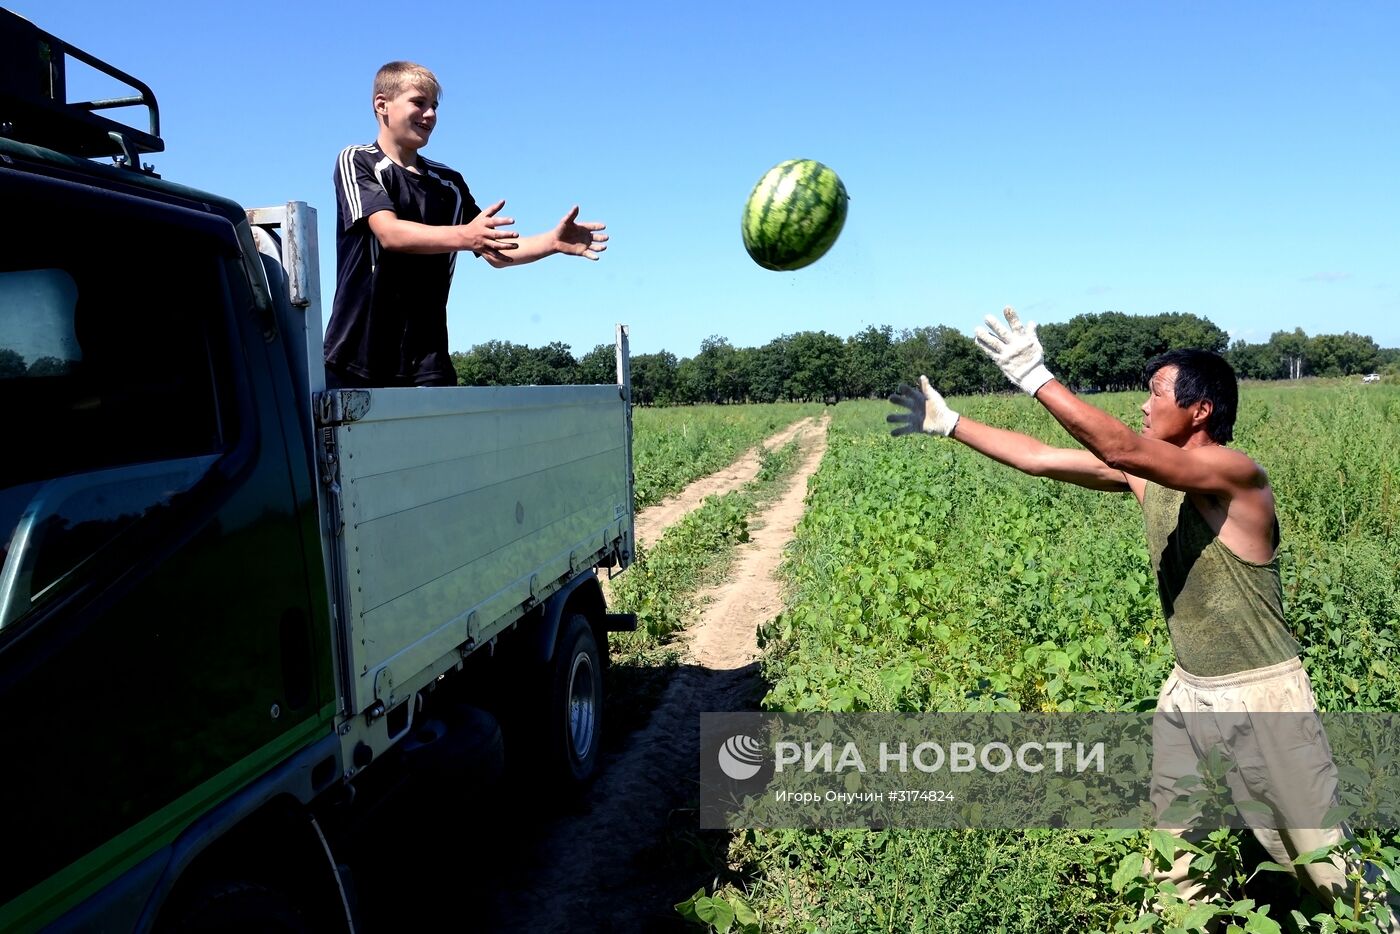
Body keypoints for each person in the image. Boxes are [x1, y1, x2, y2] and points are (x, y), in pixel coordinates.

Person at [888, 307, 1389, 921]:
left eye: (1155, 394)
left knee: (1324, 866)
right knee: (1173, 857)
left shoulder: (1236, 475)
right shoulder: (1149, 478)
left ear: (1199, 410)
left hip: (1260, 695)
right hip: (1188, 691)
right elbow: (1041, 458)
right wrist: (950, 423)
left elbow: (1119, 444)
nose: (1143, 406)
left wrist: (1033, 373)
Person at [324, 60, 608, 388]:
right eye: (419, 103)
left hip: (427, 365)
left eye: (434, 106)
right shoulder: (359, 160)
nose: (430, 115)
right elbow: (389, 233)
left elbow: (494, 251)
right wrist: (465, 236)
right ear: (382, 105)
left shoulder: (449, 183)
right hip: (355, 358)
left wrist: (551, 242)